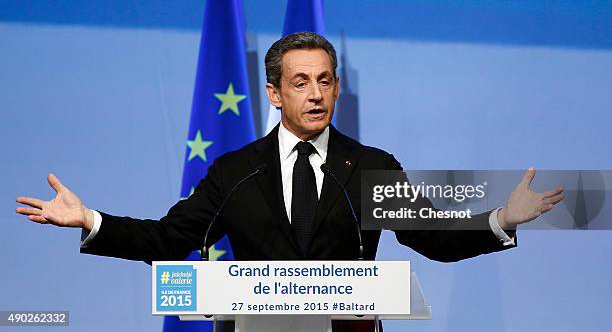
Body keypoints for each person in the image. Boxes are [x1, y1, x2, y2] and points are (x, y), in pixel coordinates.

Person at [16, 31, 565, 329]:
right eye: (301, 82)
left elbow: (432, 238)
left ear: (337, 89)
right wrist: (89, 220)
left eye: (325, 81)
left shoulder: (369, 165)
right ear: (275, 94)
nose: (316, 94)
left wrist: (500, 219)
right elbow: (170, 239)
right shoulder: (235, 171)